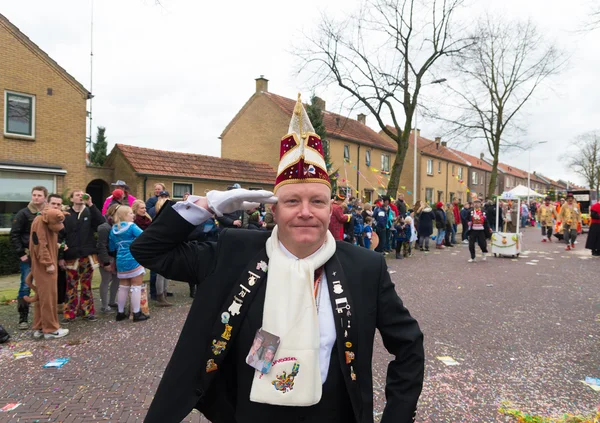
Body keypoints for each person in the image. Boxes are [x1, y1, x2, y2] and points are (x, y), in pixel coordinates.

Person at [132, 96, 424, 423]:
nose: (305, 212)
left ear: (331, 209)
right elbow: (149, 251)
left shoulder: (364, 267)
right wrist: (204, 205)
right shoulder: (234, 251)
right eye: (292, 201)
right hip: (251, 413)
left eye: (317, 201)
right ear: (273, 210)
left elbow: (409, 345)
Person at [25, 208, 70, 340]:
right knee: (49, 297)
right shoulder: (40, 222)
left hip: (44, 265)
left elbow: (43, 241)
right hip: (45, 267)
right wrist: (47, 263)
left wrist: (57, 246)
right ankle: (51, 329)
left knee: (42, 297)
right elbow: (39, 244)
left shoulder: (42, 221)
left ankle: (39, 326)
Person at [62, 190, 105, 322]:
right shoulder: (66, 214)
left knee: (86, 285)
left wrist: (91, 204)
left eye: (82, 195)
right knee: (71, 285)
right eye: (77, 195)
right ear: (71, 199)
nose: (80, 197)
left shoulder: (89, 211)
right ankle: (69, 313)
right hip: (71, 255)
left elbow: (101, 223)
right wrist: (60, 256)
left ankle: (87, 311)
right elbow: (60, 234)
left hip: (87, 255)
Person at [10, 185, 47, 329]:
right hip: (28, 256)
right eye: (34, 195)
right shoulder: (23, 214)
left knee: (44, 286)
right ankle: (23, 318)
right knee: (25, 285)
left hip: (44, 256)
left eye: (39, 195)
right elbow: (14, 234)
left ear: (44, 197)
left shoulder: (48, 212)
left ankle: (43, 316)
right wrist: (21, 253)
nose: (36, 197)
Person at [109, 205, 151, 321]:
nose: (133, 215)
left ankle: (120, 313)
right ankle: (136, 313)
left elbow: (111, 247)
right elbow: (145, 237)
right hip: (133, 257)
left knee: (123, 286)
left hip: (120, 260)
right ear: (124, 215)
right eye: (130, 213)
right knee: (136, 286)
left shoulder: (113, 229)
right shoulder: (132, 226)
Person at [97, 204, 120, 313]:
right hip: (107, 257)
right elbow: (101, 245)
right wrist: (106, 262)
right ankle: (104, 305)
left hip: (116, 257)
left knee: (117, 279)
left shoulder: (118, 225)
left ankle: (112, 301)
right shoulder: (104, 227)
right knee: (106, 280)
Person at [47, 194, 67, 307]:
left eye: (58, 204)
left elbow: (65, 237)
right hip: (45, 259)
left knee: (60, 282)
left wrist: (61, 256)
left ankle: (58, 305)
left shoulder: (62, 219)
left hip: (58, 257)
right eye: (53, 203)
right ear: (48, 204)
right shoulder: (42, 219)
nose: (55, 206)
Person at [467, 199, 492, 263]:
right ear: (473, 204)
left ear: (480, 204)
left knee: (482, 243)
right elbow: (467, 219)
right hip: (473, 230)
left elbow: (486, 221)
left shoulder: (484, 211)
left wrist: (489, 228)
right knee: (471, 244)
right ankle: (473, 257)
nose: (476, 204)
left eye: (478, 203)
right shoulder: (470, 211)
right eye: (475, 203)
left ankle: (483, 252)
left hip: (481, 230)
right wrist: (468, 223)